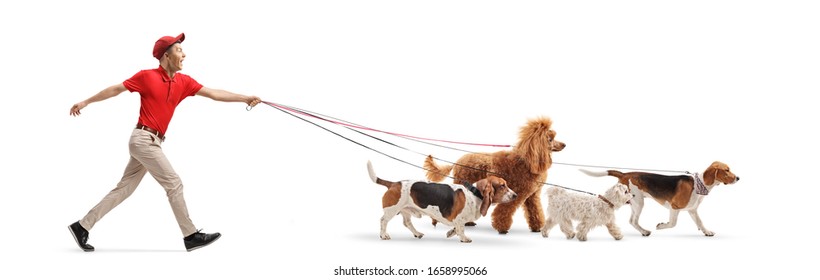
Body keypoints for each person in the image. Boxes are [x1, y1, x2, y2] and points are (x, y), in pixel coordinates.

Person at [67, 33, 261, 252]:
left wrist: (245, 98)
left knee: (124, 189)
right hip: (143, 140)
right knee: (174, 183)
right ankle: (190, 235)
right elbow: (115, 89)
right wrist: (86, 102)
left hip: (152, 142)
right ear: (166, 56)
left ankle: (82, 226)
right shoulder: (146, 76)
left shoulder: (184, 82)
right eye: (179, 50)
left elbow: (214, 93)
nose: (184, 54)